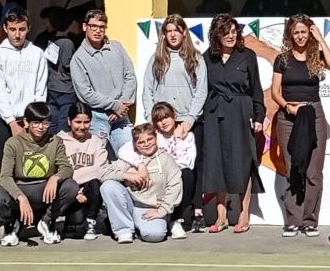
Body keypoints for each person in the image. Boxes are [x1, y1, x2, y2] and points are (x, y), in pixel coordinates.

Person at [198, 14, 264, 234]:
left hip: (240, 111)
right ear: (216, 35)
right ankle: (222, 215)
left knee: (242, 162)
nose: (231, 36)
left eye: (234, 32)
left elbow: (256, 89)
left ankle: (244, 214)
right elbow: (202, 90)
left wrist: (259, 117)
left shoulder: (247, 56)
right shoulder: (207, 58)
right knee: (217, 162)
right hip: (215, 112)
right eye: (226, 32)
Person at [272, 15, 330, 238]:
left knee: (313, 171)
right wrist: (289, 108)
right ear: (290, 34)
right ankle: (293, 220)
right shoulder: (282, 59)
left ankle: (310, 220)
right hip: (289, 117)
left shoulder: (315, 56)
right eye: (296, 32)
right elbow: (275, 92)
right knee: (293, 168)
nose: (300, 36)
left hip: (313, 114)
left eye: (304, 31)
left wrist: (320, 38)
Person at [0, 102, 78, 246]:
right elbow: (4, 177)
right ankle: (12, 225)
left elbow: (66, 168)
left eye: (45, 123)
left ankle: (47, 221)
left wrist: (55, 178)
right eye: (36, 123)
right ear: (26, 123)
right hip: (21, 188)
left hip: (45, 190)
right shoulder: (13, 143)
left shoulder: (55, 141)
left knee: (71, 187)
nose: (41, 127)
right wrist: (20, 197)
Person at [105, 123, 185, 244]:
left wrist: (162, 210)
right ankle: (124, 230)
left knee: (155, 235)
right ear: (135, 145)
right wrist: (127, 175)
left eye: (149, 139)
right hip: (130, 204)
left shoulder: (166, 159)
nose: (146, 144)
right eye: (141, 142)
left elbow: (175, 187)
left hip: (151, 208)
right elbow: (103, 172)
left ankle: (138, 226)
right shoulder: (129, 159)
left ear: (155, 139)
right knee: (108, 186)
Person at [72, 9, 137, 155]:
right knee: (97, 160)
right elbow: (85, 93)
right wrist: (114, 105)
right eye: (93, 26)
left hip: (121, 115)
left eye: (102, 27)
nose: (97, 31)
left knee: (131, 157)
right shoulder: (79, 58)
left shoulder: (116, 47)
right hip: (98, 116)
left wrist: (123, 103)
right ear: (85, 27)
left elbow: (130, 76)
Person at [0, 11, 48, 163]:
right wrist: (12, 122)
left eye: (21, 29)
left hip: (30, 118)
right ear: (5, 28)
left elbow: (40, 88)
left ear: (28, 28)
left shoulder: (37, 53)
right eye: (13, 29)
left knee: (30, 165)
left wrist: (35, 118)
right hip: (4, 120)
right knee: (6, 166)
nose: (17, 35)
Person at [143, 15, 206, 135]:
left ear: (184, 33)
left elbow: (201, 91)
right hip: (162, 121)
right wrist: (151, 118)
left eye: (176, 30)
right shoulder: (156, 59)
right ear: (164, 35)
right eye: (169, 31)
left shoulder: (196, 58)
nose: (172, 35)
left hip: (187, 121)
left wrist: (190, 120)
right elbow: (147, 90)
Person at [55, 111, 110, 241]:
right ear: (69, 121)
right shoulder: (59, 141)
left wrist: (81, 184)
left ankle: (92, 221)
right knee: (77, 230)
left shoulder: (96, 141)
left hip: (89, 190)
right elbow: (59, 171)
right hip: (69, 191)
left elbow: (101, 169)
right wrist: (75, 191)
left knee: (96, 183)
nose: (82, 126)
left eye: (86, 122)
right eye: (78, 122)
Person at [148, 103, 198, 239]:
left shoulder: (188, 136)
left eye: (166, 117)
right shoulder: (155, 137)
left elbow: (189, 163)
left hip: (180, 176)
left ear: (174, 117)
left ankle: (176, 219)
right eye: (158, 120)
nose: (163, 122)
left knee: (187, 174)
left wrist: (177, 139)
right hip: (161, 178)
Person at [37, 7, 78, 135]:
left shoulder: (52, 41)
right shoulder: (68, 43)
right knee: (64, 121)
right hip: (65, 88)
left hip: (52, 86)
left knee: (53, 118)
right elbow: (67, 63)